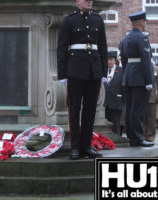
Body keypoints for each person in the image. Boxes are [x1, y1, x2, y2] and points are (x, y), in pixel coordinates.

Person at [57, 0, 108, 159]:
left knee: (90, 110)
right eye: (85, 0)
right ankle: (75, 147)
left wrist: (104, 72)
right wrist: (62, 74)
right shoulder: (69, 20)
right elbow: (62, 48)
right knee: (74, 110)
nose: (89, 2)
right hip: (75, 70)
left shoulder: (98, 20)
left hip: (94, 70)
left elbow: (103, 47)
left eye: (91, 0)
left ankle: (86, 146)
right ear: (78, 2)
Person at [119, 11, 154, 147]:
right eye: (144, 21)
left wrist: (127, 72)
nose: (145, 24)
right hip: (139, 77)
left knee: (129, 109)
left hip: (128, 75)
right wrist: (149, 81)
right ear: (141, 22)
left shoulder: (126, 38)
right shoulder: (142, 37)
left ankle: (131, 136)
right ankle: (138, 137)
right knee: (138, 109)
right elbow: (146, 60)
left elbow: (123, 59)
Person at [143, 64, 158, 142]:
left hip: (152, 97)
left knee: (151, 118)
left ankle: (150, 136)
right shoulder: (140, 66)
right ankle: (142, 135)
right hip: (141, 97)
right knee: (142, 118)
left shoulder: (155, 68)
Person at [103, 51, 123, 134]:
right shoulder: (103, 71)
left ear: (115, 60)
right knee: (106, 124)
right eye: (107, 60)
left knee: (116, 123)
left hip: (116, 101)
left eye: (111, 59)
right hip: (105, 102)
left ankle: (116, 138)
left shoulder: (121, 70)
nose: (109, 61)